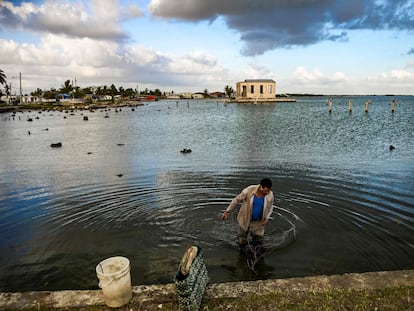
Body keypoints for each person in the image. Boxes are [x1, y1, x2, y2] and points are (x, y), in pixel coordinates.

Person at [221, 178, 274, 248]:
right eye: (266, 191)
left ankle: (255, 256)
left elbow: (270, 208)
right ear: (261, 187)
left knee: (258, 243)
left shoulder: (270, 195)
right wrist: (227, 211)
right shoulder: (248, 191)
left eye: (269, 190)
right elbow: (236, 200)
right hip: (245, 219)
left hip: (258, 222)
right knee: (242, 242)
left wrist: (266, 218)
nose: (267, 193)